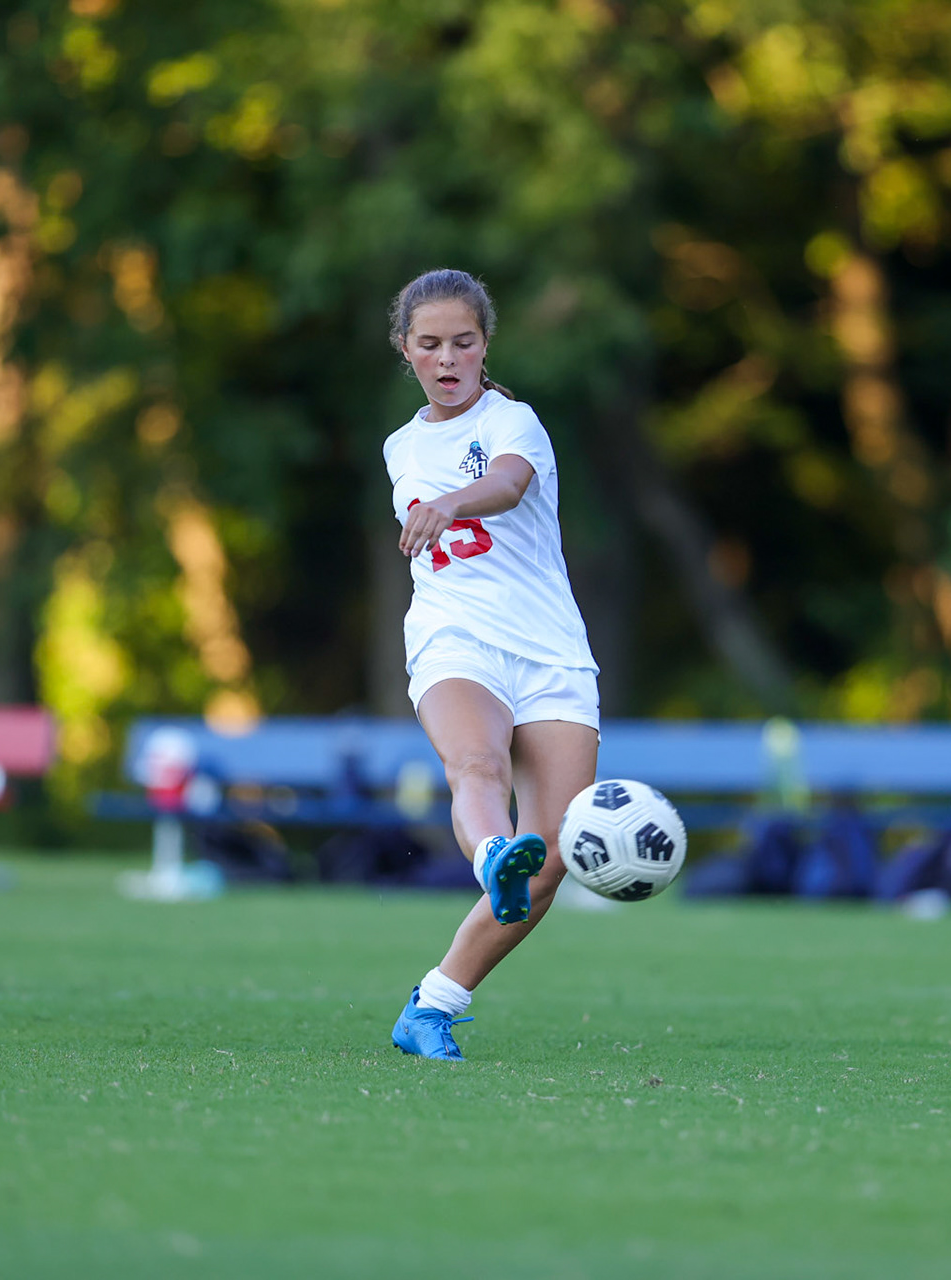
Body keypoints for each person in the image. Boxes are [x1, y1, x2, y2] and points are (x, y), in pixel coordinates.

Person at [381, 268, 600, 1061]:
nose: (448, 359)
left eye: (463, 343)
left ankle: (432, 1005)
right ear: (405, 350)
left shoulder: (517, 423)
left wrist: (452, 502)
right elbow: (438, 513)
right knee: (476, 764)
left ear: (485, 346)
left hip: (551, 651)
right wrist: (436, 507)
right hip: (454, 635)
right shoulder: (402, 445)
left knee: (560, 854)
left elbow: (507, 487)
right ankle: (488, 856)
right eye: (430, 344)